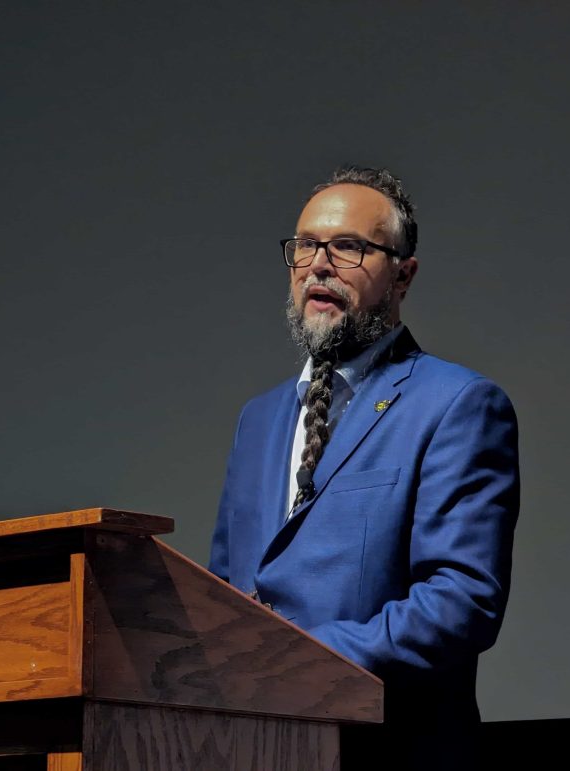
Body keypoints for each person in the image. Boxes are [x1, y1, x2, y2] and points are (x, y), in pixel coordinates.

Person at [208, 166, 520, 770]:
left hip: (386, 749)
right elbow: (227, 590)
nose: (319, 265)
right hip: (252, 748)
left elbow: (462, 601)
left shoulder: (457, 404)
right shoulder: (259, 418)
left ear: (404, 275)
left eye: (349, 247)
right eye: (305, 246)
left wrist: (298, 660)